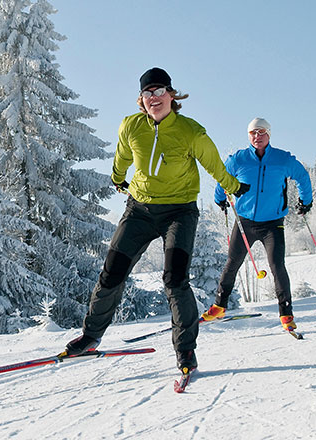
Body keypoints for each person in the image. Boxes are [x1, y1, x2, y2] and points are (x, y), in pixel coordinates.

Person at [62, 67, 248, 376]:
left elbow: (213, 164)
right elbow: (123, 155)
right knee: (111, 274)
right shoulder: (131, 126)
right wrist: (118, 178)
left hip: (180, 212)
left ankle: (186, 350)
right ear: (141, 100)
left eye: (160, 91)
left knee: (175, 280)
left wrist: (233, 185)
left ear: (172, 96)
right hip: (139, 211)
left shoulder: (191, 132)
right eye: (148, 93)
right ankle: (91, 336)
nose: (154, 98)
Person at [202, 117, 313, 333]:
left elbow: (302, 176)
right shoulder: (239, 159)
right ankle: (219, 306)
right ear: (248, 136)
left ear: (269, 135)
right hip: (245, 221)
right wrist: (219, 198)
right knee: (232, 263)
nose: (257, 136)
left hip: (273, 223)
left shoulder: (282, 159)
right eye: (253, 133)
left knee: (277, 266)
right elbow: (222, 177)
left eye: (261, 132)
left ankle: (286, 314)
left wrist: (305, 200)